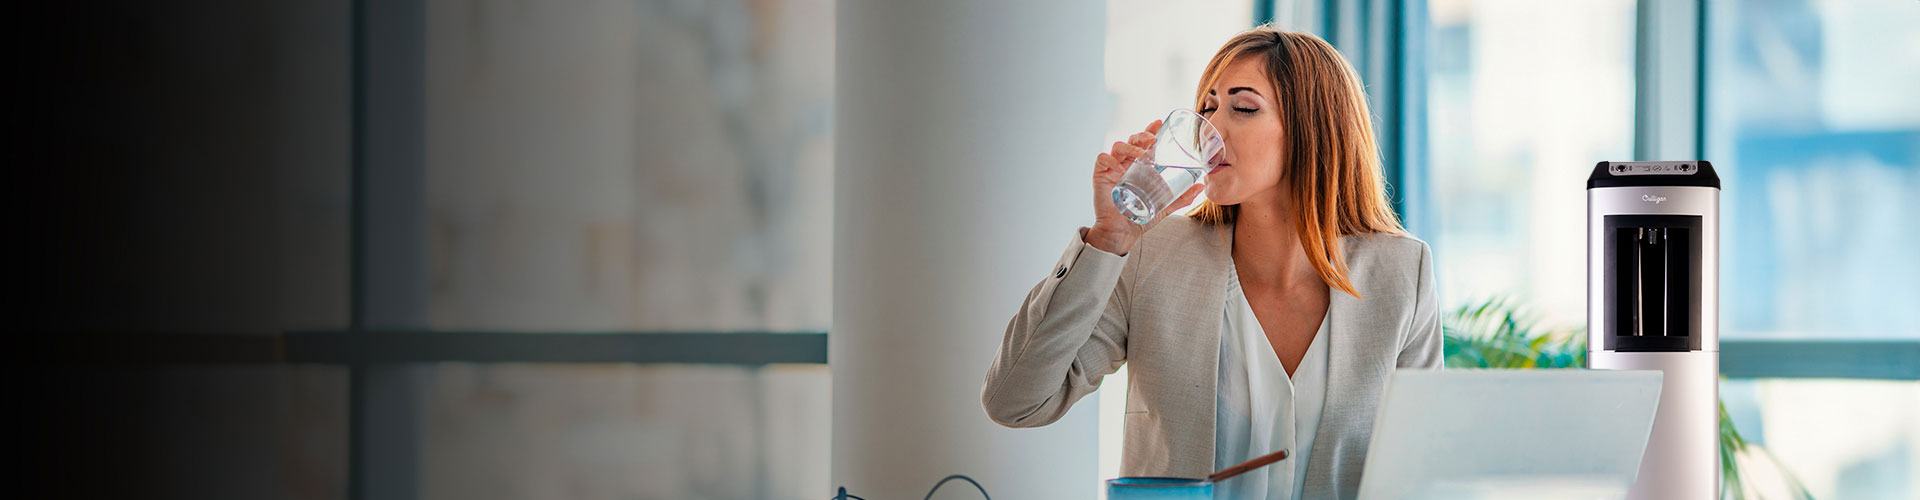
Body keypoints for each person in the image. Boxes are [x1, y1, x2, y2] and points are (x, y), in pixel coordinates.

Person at [980, 27, 1442, 500]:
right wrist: (1107, 238)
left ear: (1312, 128)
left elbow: (1422, 469)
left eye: (1242, 108)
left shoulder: (1403, 273)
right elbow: (1015, 401)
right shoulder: (1151, 256)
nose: (1210, 131)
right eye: (1206, 108)